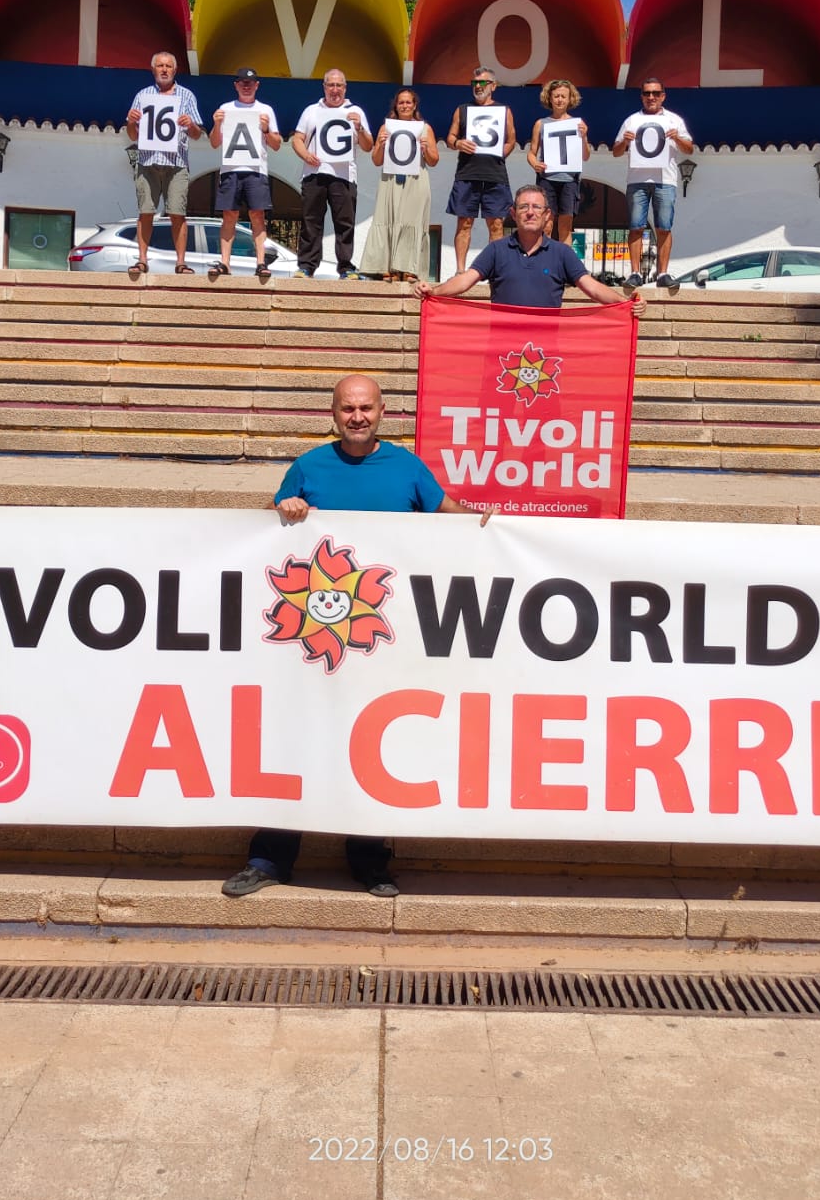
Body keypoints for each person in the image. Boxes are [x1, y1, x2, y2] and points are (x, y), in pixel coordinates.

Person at [224, 374, 490, 900]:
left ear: (382, 411)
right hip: (313, 642)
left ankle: (370, 860)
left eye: (366, 408)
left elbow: (449, 518)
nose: (357, 417)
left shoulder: (408, 467)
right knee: (295, 743)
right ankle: (269, 858)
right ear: (332, 412)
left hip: (385, 641)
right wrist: (288, 508)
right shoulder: (308, 466)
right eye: (347, 408)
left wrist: (489, 525)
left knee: (375, 748)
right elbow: (271, 532)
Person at [419, 183, 640, 311]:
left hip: (546, 350)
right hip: (502, 346)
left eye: (536, 207)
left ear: (547, 215)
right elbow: (465, 280)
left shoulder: (562, 253)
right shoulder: (496, 250)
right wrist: (434, 291)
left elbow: (592, 287)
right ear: (514, 214)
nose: (530, 212)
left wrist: (626, 303)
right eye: (524, 207)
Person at [124, 51, 204, 275]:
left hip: (177, 163)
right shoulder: (143, 95)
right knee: (145, 211)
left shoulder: (186, 96)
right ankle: (142, 260)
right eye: (160, 66)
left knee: (177, 213)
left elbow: (197, 134)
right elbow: (132, 135)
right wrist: (131, 121)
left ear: (175, 70)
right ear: (153, 70)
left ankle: (180, 262)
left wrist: (191, 124)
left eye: (168, 66)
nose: (164, 70)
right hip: (148, 161)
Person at [610, 78, 695, 288]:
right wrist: (625, 142)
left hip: (665, 180)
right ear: (641, 96)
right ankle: (635, 272)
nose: (651, 97)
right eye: (647, 93)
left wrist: (677, 138)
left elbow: (689, 149)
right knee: (636, 227)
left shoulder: (674, 120)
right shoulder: (631, 120)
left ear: (663, 96)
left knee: (664, 227)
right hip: (637, 180)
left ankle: (663, 273)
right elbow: (616, 151)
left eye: (656, 93)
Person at [289, 69, 373, 278]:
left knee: (345, 222)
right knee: (311, 221)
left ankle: (345, 266)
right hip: (315, 174)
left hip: (344, 176)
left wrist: (360, 128)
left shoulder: (356, 111)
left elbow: (368, 145)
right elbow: (297, 139)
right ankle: (307, 265)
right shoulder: (311, 111)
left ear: (345, 88)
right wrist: (306, 155)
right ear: (324, 87)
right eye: (331, 85)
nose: (335, 90)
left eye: (339, 85)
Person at [208, 66, 282, 279]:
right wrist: (217, 123)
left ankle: (260, 262)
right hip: (231, 169)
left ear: (257, 85)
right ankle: (225, 262)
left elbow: (276, 144)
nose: (246, 86)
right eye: (242, 82)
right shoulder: (225, 108)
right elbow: (214, 143)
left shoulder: (265, 110)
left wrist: (267, 129)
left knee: (257, 215)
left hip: (256, 169)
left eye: (250, 82)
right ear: (236, 85)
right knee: (229, 215)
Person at [360, 87, 440, 281]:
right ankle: (389, 268)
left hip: (416, 179)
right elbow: (376, 160)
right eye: (401, 102)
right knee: (388, 218)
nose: (404, 106)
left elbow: (434, 160)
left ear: (414, 106)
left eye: (408, 102)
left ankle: (410, 269)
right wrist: (380, 144)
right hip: (391, 179)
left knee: (412, 221)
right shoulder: (386, 128)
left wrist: (426, 148)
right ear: (396, 105)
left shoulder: (424, 128)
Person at [444, 66, 517, 275]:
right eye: (474, 83)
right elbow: (450, 137)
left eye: (482, 83)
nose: (478, 87)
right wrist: (458, 143)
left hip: (495, 175)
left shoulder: (504, 110)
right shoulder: (462, 109)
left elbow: (512, 139)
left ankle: (495, 270)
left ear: (493, 86)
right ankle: (460, 270)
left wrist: (503, 151)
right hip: (467, 173)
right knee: (464, 223)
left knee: (496, 224)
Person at [525, 79, 589, 247]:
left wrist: (583, 137)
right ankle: (541, 262)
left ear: (570, 99)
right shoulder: (541, 123)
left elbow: (585, 156)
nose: (560, 100)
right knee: (545, 223)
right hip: (547, 179)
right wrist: (535, 164)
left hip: (569, 179)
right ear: (550, 98)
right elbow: (531, 153)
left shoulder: (578, 124)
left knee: (565, 226)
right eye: (556, 96)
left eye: (563, 96)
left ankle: (563, 266)